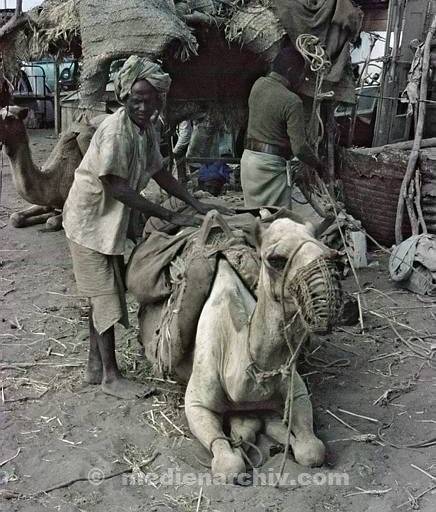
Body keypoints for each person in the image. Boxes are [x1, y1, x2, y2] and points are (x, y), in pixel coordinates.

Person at [63, 56, 227, 399]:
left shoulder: (146, 128)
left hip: (109, 223)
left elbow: (159, 171)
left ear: (159, 101)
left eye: (149, 100)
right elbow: (116, 186)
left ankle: (95, 366)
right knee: (106, 295)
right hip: (88, 220)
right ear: (124, 97)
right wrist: (168, 216)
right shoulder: (114, 131)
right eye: (136, 99)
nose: (142, 106)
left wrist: (195, 203)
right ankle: (110, 377)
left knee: (106, 291)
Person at [240, 45, 321, 208]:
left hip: (249, 163)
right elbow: (299, 148)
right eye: (301, 74)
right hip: (270, 168)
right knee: (279, 221)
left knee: (256, 219)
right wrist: (319, 165)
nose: (301, 79)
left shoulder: (258, 85)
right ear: (291, 71)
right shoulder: (292, 101)